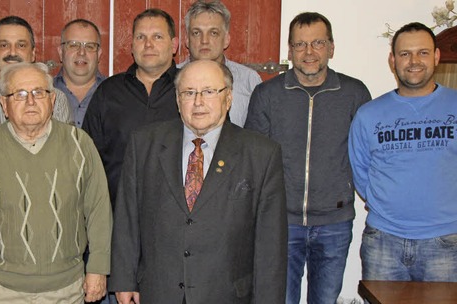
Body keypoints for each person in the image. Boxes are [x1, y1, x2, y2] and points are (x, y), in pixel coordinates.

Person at [110, 59, 287, 304]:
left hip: (227, 294)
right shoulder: (144, 144)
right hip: (158, 291)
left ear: (228, 98)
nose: (198, 102)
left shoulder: (261, 155)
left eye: (209, 92)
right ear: (177, 99)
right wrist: (124, 280)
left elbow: (271, 245)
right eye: (189, 92)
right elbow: (127, 219)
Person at [0, 62, 112, 304]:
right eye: (20, 94)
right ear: (4, 105)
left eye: (39, 92)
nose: (30, 101)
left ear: (53, 100)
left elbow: (99, 212)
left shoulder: (80, 144)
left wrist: (98, 268)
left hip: (66, 289)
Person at [244, 12, 371, 304]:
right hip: (281, 222)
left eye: (317, 43)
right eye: (300, 45)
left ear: (331, 47)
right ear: (289, 50)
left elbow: (367, 153)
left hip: (334, 223)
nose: (309, 52)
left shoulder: (354, 93)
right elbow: (255, 160)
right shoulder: (267, 94)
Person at [349, 22, 457, 283]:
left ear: (436, 56)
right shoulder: (369, 114)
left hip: (446, 242)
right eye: (405, 54)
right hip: (384, 241)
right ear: (392, 60)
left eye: (422, 52)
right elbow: (360, 171)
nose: (414, 61)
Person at [82, 8, 180, 206]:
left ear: (174, 45)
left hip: (178, 221)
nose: (148, 44)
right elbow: (87, 159)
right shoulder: (108, 92)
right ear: (132, 46)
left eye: (158, 37)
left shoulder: (193, 89)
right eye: (141, 37)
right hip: (118, 216)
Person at [0, 15, 72, 176]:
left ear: (33, 54)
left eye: (21, 45)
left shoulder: (56, 100)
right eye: (4, 45)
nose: (13, 52)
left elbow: (63, 164)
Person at [177, 0, 261, 127]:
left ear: (226, 40)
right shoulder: (172, 77)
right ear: (187, 40)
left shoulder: (249, 81)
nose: (204, 41)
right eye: (196, 33)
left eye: (213, 33)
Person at [55, 19, 106, 128]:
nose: (82, 52)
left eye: (90, 46)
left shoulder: (115, 94)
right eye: (73, 45)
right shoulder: (43, 92)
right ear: (60, 52)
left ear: (99, 54)